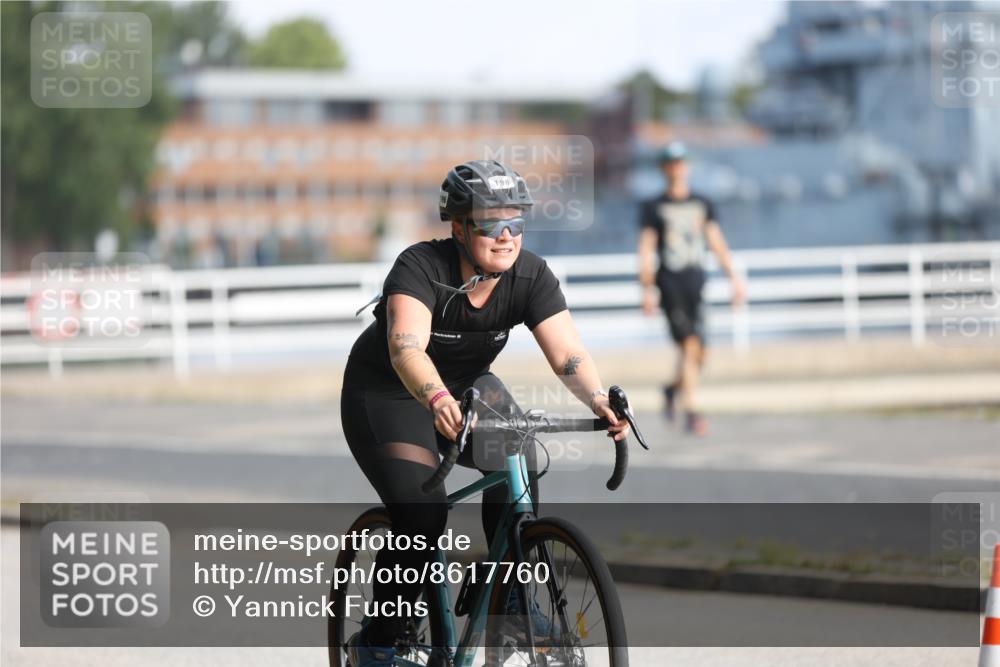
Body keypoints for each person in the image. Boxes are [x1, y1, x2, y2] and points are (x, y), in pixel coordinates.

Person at [341, 159, 630, 666]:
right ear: (458, 227)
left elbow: (568, 354)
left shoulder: (530, 275)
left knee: (517, 450)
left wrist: (598, 398)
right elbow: (406, 348)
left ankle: (506, 600)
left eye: (516, 222)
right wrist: (436, 401)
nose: (506, 236)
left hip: (468, 388)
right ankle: (378, 641)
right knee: (424, 514)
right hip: (389, 394)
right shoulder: (419, 267)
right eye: (491, 223)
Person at [637, 142, 745, 437]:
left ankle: (672, 390)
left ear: (688, 166)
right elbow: (646, 248)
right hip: (669, 283)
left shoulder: (702, 202)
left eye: (681, 162)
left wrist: (734, 277)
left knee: (701, 353)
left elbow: (716, 241)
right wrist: (646, 290)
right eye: (671, 163)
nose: (677, 168)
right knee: (688, 345)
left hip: (696, 280)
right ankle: (693, 411)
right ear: (664, 169)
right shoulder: (653, 206)